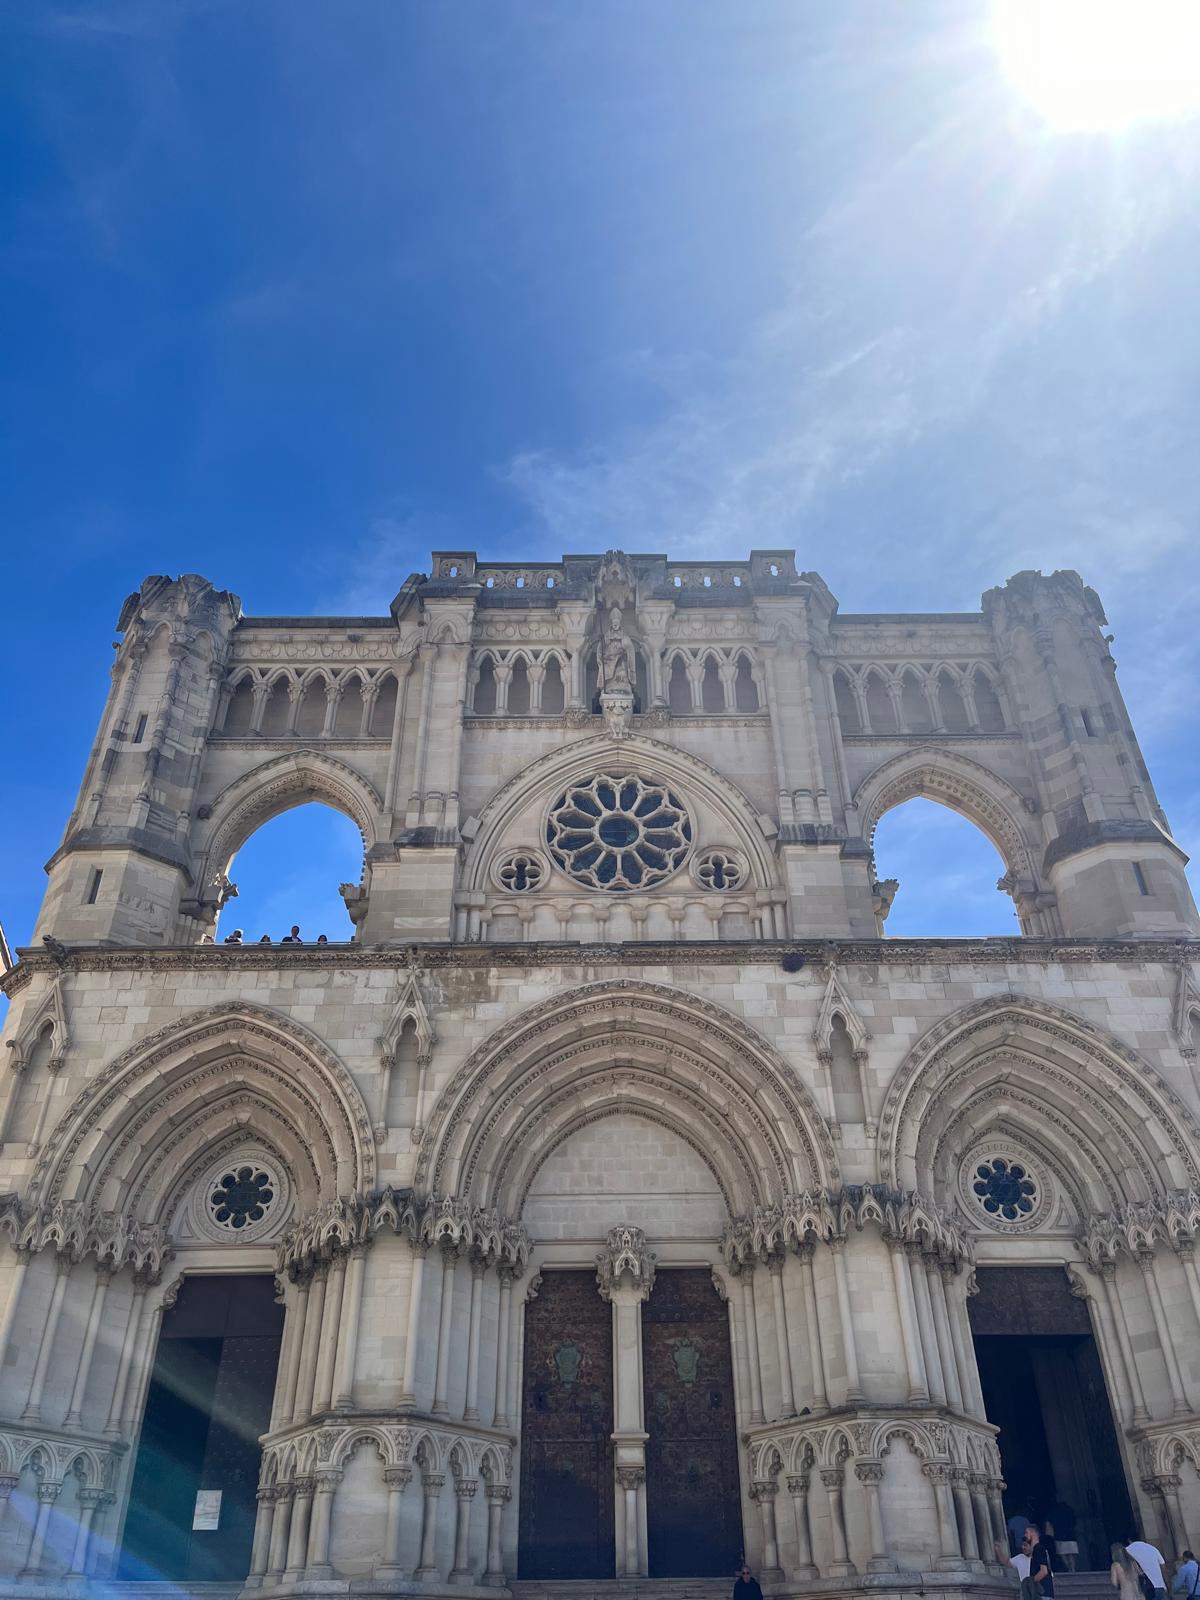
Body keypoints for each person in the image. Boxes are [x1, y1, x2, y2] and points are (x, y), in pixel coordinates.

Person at [1023, 1524, 1054, 1600]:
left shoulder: (1038, 1549)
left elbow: (1044, 1571)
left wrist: (1029, 1583)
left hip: (1042, 1592)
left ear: (1033, 1533)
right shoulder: (1038, 1549)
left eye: (1026, 1532)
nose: (1025, 1535)